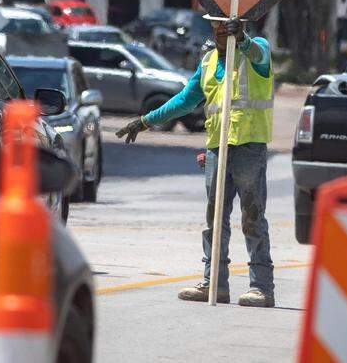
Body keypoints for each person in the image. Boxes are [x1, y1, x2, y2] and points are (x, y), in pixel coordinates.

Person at [116, 16, 275, 307]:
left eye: (225, 26)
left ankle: (261, 287)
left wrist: (242, 39)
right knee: (215, 221)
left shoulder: (255, 48)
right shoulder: (208, 62)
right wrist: (145, 121)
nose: (220, 31)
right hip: (217, 147)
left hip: (249, 146)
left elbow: (259, 54)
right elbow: (184, 101)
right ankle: (214, 282)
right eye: (216, 27)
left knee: (252, 218)